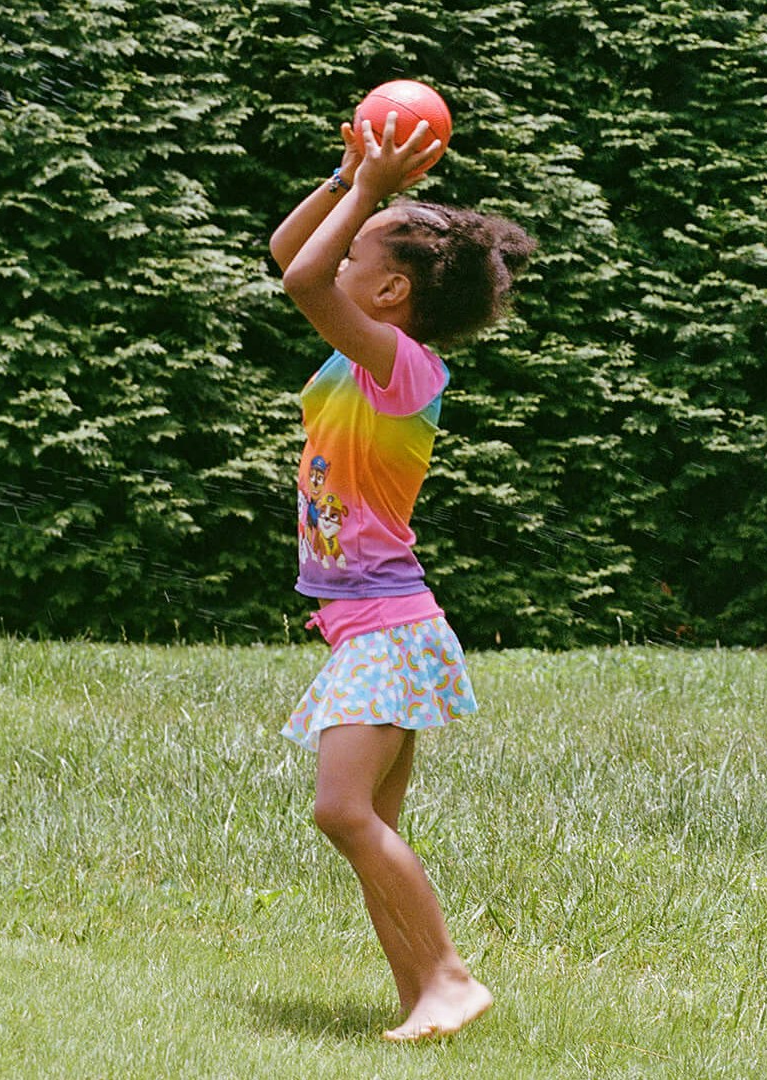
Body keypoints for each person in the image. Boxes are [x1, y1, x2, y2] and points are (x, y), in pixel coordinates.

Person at [266, 108, 533, 1042]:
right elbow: (289, 250)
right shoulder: (363, 347)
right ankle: (423, 990)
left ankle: (450, 978)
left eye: (357, 257)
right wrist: (349, 178)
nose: (336, 263)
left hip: (390, 626)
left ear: (386, 294)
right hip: (369, 623)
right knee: (369, 820)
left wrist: (377, 193)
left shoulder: (405, 369)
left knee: (341, 810)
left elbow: (302, 276)